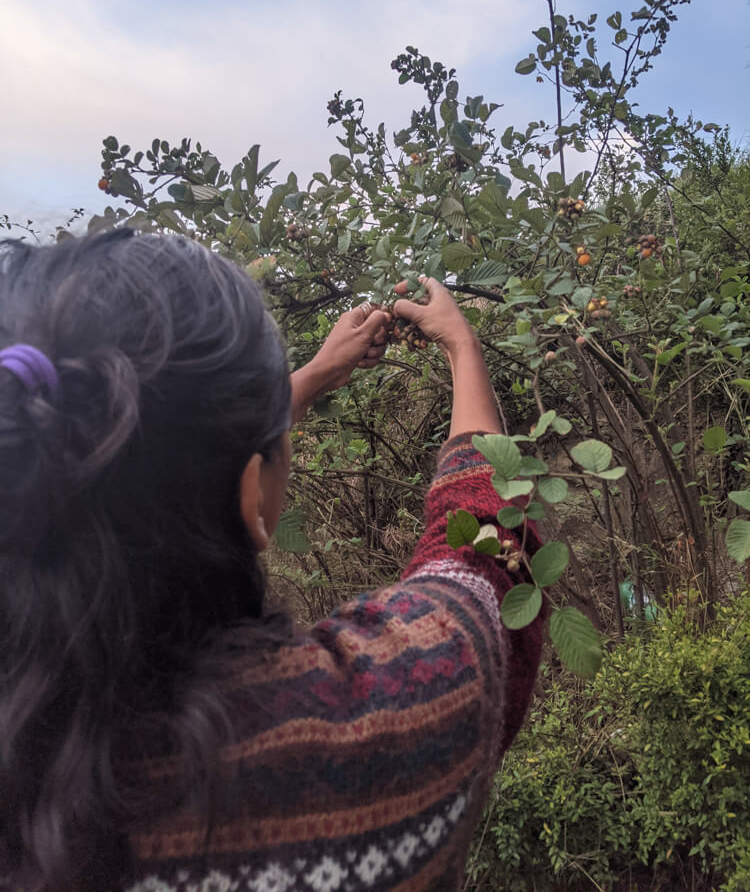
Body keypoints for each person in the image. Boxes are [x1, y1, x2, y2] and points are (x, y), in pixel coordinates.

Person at [0, 229, 544, 892]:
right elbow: (488, 542)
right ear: (253, 492)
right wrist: (463, 347)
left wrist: (316, 373)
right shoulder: (386, 722)